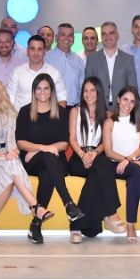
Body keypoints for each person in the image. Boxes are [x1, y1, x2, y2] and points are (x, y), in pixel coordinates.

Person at [0, 77, 54, 244]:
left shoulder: (9, 114)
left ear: (1, 94)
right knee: (11, 169)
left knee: (11, 166)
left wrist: (12, 152)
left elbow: (12, 141)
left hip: (3, 157)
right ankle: (35, 206)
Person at [16, 73, 85, 243]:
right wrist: (43, 149)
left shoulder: (61, 112)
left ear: (52, 91)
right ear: (34, 91)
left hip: (55, 162)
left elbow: (64, 144)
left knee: (47, 175)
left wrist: (39, 150)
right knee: (47, 158)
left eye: (46, 88)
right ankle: (69, 203)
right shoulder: (25, 111)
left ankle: (36, 225)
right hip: (31, 161)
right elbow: (21, 142)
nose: (42, 92)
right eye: (39, 88)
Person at [67, 77, 126, 242]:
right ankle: (111, 212)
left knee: (98, 171)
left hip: (97, 156)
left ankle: (76, 226)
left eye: (92, 90)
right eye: (85, 91)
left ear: (99, 92)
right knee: (103, 166)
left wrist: (95, 153)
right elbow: (72, 139)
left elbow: (106, 143)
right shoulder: (75, 111)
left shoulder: (107, 115)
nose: (88, 94)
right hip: (78, 157)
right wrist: (83, 154)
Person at [103, 86, 140, 243]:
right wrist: (128, 160)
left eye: (132, 101)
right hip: (116, 164)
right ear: (118, 100)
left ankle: (130, 227)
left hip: (138, 162)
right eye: (125, 100)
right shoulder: (109, 122)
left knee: (135, 178)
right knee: (137, 171)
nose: (128, 104)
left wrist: (130, 160)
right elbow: (108, 151)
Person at [84, 21, 137, 107]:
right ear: (101, 37)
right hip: (98, 109)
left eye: (111, 33)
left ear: (117, 35)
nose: (107, 37)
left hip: (122, 108)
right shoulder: (92, 59)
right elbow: (88, 89)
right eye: (104, 34)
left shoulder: (128, 59)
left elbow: (132, 89)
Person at [7, 34, 67, 109]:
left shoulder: (54, 73)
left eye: (39, 49)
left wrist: (58, 115)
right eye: (32, 49)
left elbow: (62, 98)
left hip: (48, 116)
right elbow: (10, 99)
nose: (36, 53)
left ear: (45, 51)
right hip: (20, 115)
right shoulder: (17, 72)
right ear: (27, 51)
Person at [46, 23, 86, 107]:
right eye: (63, 34)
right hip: (53, 108)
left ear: (73, 39)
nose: (67, 38)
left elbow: (81, 87)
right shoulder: (46, 58)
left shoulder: (78, 60)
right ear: (56, 38)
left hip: (74, 108)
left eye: (70, 35)